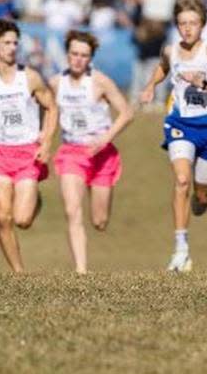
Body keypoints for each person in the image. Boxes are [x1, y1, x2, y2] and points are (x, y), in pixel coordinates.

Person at [140, 0, 207, 273]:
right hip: (181, 125)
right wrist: (150, 86)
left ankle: (201, 198)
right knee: (181, 179)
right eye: (182, 24)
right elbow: (163, 68)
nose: (187, 29)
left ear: (202, 24)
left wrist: (204, 84)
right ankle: (181, 250)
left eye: (192, 23)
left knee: (201, 197)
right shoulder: (171, 50)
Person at [0, 20, 59, 273]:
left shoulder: (29, 77)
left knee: (22, 220)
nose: (11, 47)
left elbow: (51, 107)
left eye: (15, 43)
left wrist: (47, 140)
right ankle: (19, 273)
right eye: (6, 43)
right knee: (2, 217)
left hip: (27, 153)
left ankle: (33, 200)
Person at [50, 31, 134, 273]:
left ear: (91, 58)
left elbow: (127, 113)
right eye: (74, 54)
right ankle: (81, 271)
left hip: (101, 155)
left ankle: (100, 198)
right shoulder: (56, 83)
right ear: (67, 54)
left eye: (84, 55)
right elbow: (47, 112)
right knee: (72, 210)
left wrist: (105, 138)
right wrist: (43, 139)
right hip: (71, 154)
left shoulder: (100, 82)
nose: (78, 59)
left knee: (99, 221)